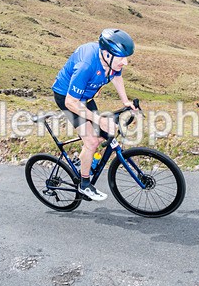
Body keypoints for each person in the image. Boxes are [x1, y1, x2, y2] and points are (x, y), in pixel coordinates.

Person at [52, 28, 137, 201]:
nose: (125, 62)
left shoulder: (110, 60)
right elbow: (71, 103)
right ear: (106, 54)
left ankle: (84, 159)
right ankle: (84, 184)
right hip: (68, 98)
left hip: (86, 98)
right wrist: (98, 119)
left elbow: (116, 76)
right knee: (91, 141)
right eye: (121, 58)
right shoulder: (87, 65)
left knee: (103, 135)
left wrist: (125, 101)